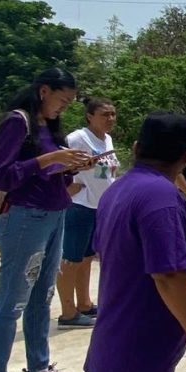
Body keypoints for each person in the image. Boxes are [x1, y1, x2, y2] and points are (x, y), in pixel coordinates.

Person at [85, 112, 186, 372]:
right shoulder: (161, 200)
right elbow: (168, 275)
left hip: (134, 336)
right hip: (137, 342)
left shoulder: (119, 190)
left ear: (137, 148)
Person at [0, 68, 91, 372]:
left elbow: (44, 172)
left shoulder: (47, 127)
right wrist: (49, 159)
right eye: (63, 100)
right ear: (44, 91)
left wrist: (70, 165)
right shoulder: (18, 123)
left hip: (53, 213)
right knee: (12, 301)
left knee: (42, 297)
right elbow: (1, 175)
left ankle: (38, 371)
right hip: (24, 218)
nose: (65, 107)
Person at [57, 96, 120, 330]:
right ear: (89, 116)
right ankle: (67, 312)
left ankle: (84, 304)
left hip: (99, 207)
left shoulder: (107, 140)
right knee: (70, 259)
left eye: (113, 114)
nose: (110, 119)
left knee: (85, 258)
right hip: (79, 205)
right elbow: (59, 166)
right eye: (105, 114)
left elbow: (107, 173)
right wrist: (68, 187)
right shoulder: (77, 138)